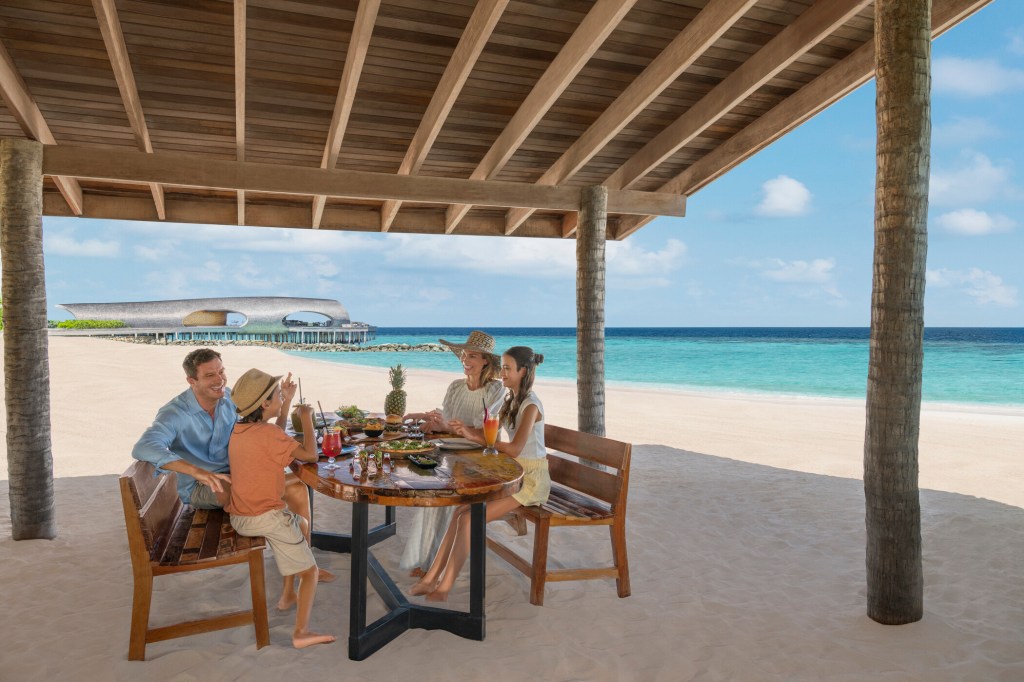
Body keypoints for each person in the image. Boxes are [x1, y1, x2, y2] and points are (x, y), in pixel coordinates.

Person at [132, 348, 335, 581]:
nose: (219, 379)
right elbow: (143, 447)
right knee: (276, 489)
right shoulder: (175, 413)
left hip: (236, 477)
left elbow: (263, 433)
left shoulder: (228, 399)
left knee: (298, 487)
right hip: (204, 489)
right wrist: (198, 472)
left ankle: (304, 563)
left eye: (221, 371)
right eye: (209, 375)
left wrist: (285, 401)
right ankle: (298, 559)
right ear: (191, 381)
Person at [410, 346, 550, 601]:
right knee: (460, 511)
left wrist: (477, 436)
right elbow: (490, 433)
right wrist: (466, 431)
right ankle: (431, 578)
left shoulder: (531, 405)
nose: (503, 372)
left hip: (532, 481)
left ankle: (445, 586)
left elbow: (515, 448)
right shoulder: (511, 400)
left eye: (508, 368)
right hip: (515, 474)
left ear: (523, 371)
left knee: (469, 519)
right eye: (503, 367)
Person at [226, 368, 334, 649]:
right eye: (275, 395)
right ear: (264, 405)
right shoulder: (269, 434)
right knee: (310, 572)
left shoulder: (244, 428)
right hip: (264, 516)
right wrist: (307, 419)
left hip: (242, 512)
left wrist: (286, 402)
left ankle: (288, 595)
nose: (279, 397)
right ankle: (301, 633)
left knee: (302, 524)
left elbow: (275, 431)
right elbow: (310, 454)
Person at [400, 331, 505, 577]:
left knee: (447, 497)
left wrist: (449, 427)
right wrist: (433, 423)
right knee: (430, 493)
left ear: (486, 361)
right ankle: (425, 561)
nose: (466, 360)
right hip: (449, 453)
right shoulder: (456, 386)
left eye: (473, 356)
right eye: (464, 355)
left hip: (481, 459)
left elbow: (487, 430)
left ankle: (435, 565)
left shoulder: (495, 390)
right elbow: (448, 420)